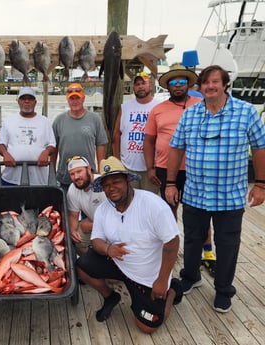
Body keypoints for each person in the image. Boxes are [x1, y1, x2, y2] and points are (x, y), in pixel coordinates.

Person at [165, 65, 265, 313]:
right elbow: (176, 148)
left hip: (229, 197)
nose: (210, 87)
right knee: (192, 239)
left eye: (215, 82)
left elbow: (260, 147)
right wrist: (170, 182)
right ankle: (190, 276)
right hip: (195, 193)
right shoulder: (190, 114)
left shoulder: (246, 112)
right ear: (200, 87)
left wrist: (261, 184)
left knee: (228, 244)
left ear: (224, 84)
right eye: (205, 83)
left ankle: (223, 289)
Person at [76, 156, 182, 334]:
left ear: (127, 180)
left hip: (148, 275)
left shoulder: (153, 205)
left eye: (116, 181)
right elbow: (96, 240)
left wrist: (162, 281)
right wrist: (109, 249)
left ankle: (172, 289)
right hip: (119, 264)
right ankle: (110, 297)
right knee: (81, 266)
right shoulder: (103, 210)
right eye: (106, 185)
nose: (111, 188)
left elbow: (172, 243)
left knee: (147, 326)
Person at [144, 64, 217, 276]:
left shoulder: (202, 105)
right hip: (166, 168)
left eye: (182, 81)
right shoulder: (157, 110)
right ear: (167, 86)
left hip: (197, 168)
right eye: (173, 82)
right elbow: (149, 141)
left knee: (202, 213)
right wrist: (150, 168)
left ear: (189, 84)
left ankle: (208, 254)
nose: (177, 85)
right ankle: (171, 249)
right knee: (169, 211)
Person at [52, 83, 109, 191]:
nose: (74, 101)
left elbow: (100, 145)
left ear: (83, 99)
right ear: (67, 100)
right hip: (65, 177)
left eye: (77, 98)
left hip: (89, 176)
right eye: (71, 99)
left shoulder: (95, 119)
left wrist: (101, 172)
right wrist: (52, 171)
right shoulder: (59, 120)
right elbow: (54, 148)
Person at [0, 86, 56, 185]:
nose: (27, 101)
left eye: (30, 99)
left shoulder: (45, 121)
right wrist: (5, 154)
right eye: (23, 99)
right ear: (18, 102)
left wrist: (46, 152)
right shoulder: (8, 121)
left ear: (35, 102)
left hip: (39, 179)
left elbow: (52, 145)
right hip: (12, 178)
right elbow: (0, 144)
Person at [112, 71, 160, 193]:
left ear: (150, 85)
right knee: (129, 202)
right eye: (137, 84)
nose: (140, 86)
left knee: (149, 204)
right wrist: (118, 163)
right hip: (128, 167)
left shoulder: (159, 106)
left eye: (143, 83)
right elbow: (116, 135)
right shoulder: (125, 107)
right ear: (133, 87)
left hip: (151, 169)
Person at [66, 156, 107, 256]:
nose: (76, 177)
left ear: (89, 169)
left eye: (79, 171)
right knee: (75, 239)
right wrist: (72, 230)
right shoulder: (72, 189)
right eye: (72, 174)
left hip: (112, 224)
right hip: (93, 221)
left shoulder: (103, 184)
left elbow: (116, 217)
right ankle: (91, 263)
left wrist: (92, 226)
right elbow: (73, 215)